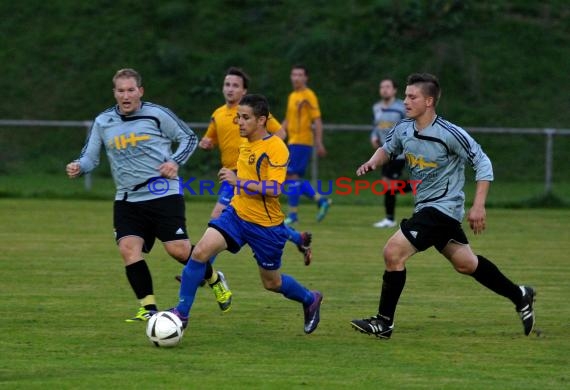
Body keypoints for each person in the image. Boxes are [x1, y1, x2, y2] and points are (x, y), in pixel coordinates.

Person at [350, 73, 536, 338]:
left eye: (411, 97)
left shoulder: (449, 134)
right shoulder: (404, 128)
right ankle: (520, 295)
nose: (405, 101)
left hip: (442, 210)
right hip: (426, 207)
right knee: (466, 264)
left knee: (393, 252)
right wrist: (372, 161)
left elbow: (483, 162)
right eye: (405, 95)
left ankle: (383, 323)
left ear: (429, 101)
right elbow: (388, 149)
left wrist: (479, 205)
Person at [66, 68, 232, 322]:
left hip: (163, 193)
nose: (126, 95)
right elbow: (90, 157)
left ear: (140, 91)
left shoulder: (157, 115)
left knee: (178, 250)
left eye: (131, 89)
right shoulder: (103, 121)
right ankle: (149, 308)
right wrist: (79, 166)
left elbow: (187, 138)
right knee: (128, 249)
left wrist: (174, 162)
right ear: (115, 93)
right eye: (120, 91)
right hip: (128, 199)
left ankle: (213, 278)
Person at [169, 94, 323, 334]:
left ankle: (310, 298)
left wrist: (238, 181)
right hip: (237, 216)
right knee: (199, 252)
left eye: (245, 118)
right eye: (238, 117)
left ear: (261, 120)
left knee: (272, 283)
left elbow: (275, 189)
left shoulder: (276, 147)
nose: (239, 122)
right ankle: (181, 314)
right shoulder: (245, 142)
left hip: (266, 226)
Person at [198, 67, 313, 265]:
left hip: (248, 178)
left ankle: (203, 270)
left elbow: (281, 134)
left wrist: (265, 156)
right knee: (256, 219)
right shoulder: (217, 114)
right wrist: (206, 143)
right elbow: (211, 138)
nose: (230, 89)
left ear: (244, 91)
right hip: (232, 174)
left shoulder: (253, 112)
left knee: (219, 216)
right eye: (227, 84)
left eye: (235, 85)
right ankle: (298, 238)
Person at [281, 65, 331, 225]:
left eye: (300, 75)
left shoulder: (309, 95)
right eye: (294, 74)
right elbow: (287, 120)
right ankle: (320, 200)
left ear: (306, 78)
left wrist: (319, 142)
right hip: (292, 142)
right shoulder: (292, 96)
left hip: (302, 142)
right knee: (291, 177)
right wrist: (277, 135)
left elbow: (317, 120)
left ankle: (294, 215)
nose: (296, 78)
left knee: (291, 177)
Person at [370, 78, 410, 228]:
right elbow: (375, 126)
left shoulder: (402, 107)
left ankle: (389, 219)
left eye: (388, 87)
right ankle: (389, 218)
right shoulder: (376, 107)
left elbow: (410, 126)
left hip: (399, 153)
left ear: (394, 90)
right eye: (382, 87)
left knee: (388, 183)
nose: (384, 89)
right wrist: (374, 137)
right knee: (388, 185)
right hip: (384, 153)